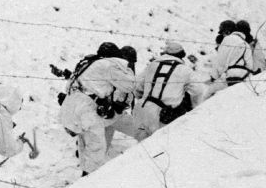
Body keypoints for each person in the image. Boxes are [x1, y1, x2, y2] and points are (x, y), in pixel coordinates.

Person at [58, 43, 138, 177]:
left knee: (88, 144)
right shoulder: (109, 66)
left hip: (72, 109)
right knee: (97, 148)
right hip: (90, 111)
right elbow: (130, 86)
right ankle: (89, 180)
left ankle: (85, 174)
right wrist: (128, 69)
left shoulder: (87, 64)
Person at [126, 41, 202, 139]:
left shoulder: (152, 65)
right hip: (163, 116)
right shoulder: (185, 70)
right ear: (181, 55)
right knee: (159, 148)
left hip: (142, 110)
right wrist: (191, 105)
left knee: (142, 149)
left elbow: (137, 87)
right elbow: (198, 90)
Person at [209, 19, 265, 91]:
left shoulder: (227, 42)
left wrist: (214, 77)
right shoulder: (246, 44)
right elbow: (250, 65)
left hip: (230, 76)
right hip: (249, 76)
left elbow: (220, 62)